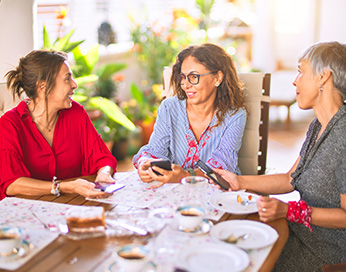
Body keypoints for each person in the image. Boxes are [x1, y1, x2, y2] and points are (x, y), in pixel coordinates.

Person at [214, 41, 346, 271]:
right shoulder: (319, 125)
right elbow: (290, 179)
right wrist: (239, 181)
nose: (295, 80)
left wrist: (290, 210)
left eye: (301, 71)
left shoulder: (343, 135)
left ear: (324, 76)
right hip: (301, 232)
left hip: (326, 252)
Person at [0, 50, 117, 200]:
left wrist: (104, 173)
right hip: (27, 214)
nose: (74, 84)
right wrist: (62, 187)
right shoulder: (9, 125)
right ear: (42, 86)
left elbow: (103, 158)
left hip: (73, 206)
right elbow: (11, 184)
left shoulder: (76, 113)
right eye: (67, 78)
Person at [133, 43, 247, 187]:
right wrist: (145, 163)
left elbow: (222, 167)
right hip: (176, 192)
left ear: (217, 78)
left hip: (218, 191)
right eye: (183, 77)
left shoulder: (235, 115)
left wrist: (186, 176)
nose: (186, 84)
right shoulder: (169, 108)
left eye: (194, 76)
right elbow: (155, 150)